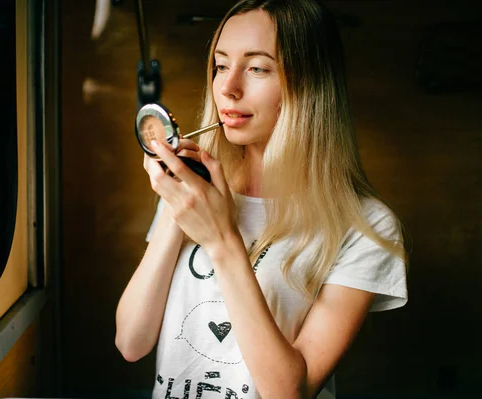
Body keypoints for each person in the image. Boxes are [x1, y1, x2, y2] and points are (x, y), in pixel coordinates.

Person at [115, 0, 408, 398]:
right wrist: (175, 208)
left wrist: (221, 240)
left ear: (308, 84)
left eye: (257, 68)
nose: (228, 87)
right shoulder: (193, 192)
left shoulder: (365, 226)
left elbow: (290, 392)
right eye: (220, 65)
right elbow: (131, 343)